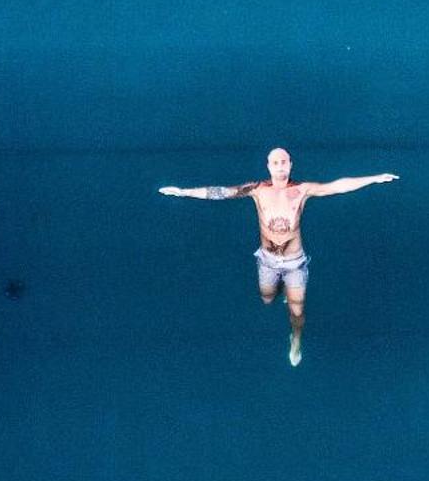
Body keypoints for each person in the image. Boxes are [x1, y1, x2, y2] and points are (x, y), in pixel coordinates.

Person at [159, 148, 398, 366]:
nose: (280, 166)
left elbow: (337, 186)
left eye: (284, 162)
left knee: (297, 311)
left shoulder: (302, 190)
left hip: (295, 263)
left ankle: (296, 339)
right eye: (276, 162)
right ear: (268, 166)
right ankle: (280, 293)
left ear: (291, 165)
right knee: (267, 298)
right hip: (267, 261)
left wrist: (374, 178)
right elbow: (222, 192)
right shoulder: (257, 190)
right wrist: (183, 192)